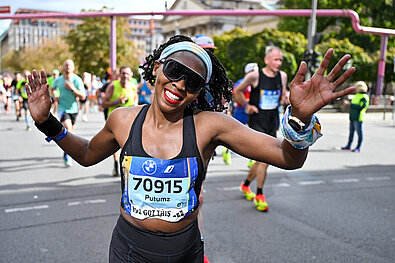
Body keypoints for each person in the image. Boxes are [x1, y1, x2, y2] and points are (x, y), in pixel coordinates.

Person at [26, 35, 355, 262]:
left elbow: (287, 157)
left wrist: (299, 118)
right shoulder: (123, 120)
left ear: (198, 92)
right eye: (174, 71)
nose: (180, 84)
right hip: (129, 249)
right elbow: (85, 155)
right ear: (156, 68)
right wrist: (46, 122)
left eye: (192, 81)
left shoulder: (210, 126)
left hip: (184, 252)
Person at [234, 46, 289, 212]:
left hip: (272, 122)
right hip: (257, 123)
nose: (278, 63)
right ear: (266, 60)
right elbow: (237, 91)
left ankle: (245, 185)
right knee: (265, 160)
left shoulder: (283, 76)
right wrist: (247, 106)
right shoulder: (255, 76)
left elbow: (280, 98)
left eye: (280, 60)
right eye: (275, 59)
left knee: (260, 161)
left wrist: (285, 99)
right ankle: (259, 194)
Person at [102, 66, 138, 176]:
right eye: (123, 73)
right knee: (116, 143)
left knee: (128, 144)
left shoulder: (132, 87)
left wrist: (134, 105)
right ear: (119, 75)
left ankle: (124, 165)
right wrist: (116, 102)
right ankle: (116, 162)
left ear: (131, 75)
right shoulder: (113, 86)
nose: (125, 76)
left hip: (129, 121)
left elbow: (135, 98)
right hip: (115, 121)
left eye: (127, 74)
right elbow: (104, 103)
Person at [52, 59, 86, 167]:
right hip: (62, 108)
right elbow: (52, 89)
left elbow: (83, 96)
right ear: (63, 67)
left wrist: (72, 89)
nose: (68, 67)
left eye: (70, 65)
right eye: (66, 65)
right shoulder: (59, 80)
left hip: (74, 109)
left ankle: (66, 150)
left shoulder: (77, 80)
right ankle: (68, 153)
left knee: (70, 133)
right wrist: (54, 95)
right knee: (68, 129)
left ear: (73, 68)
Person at [341, 81, 370, 152]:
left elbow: (362, 106)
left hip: (358, 117)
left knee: (359, 133)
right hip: (352, 116)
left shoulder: (364, 96)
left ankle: (358, 147)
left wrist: (350, 104)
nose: (355, 89)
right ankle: (349, 145)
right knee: (351, 132)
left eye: (356, 88)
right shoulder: (356, 95)